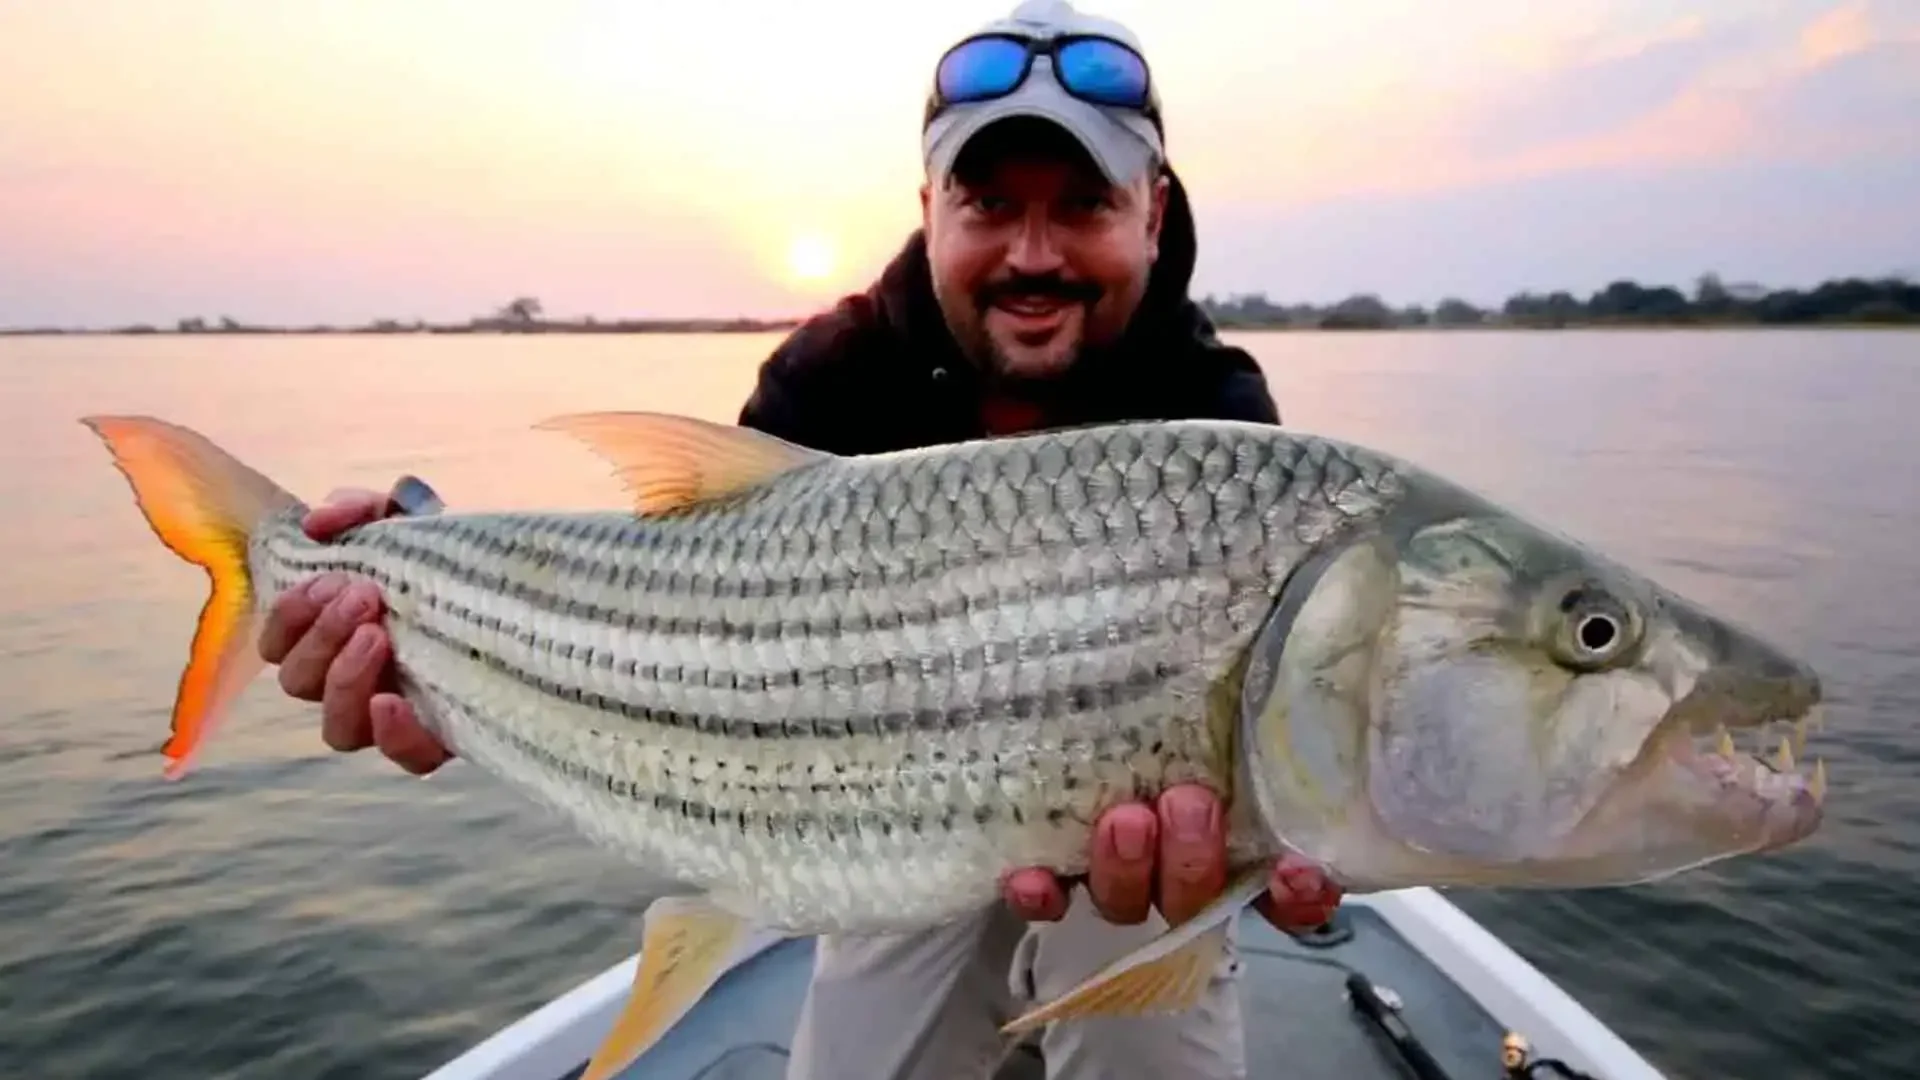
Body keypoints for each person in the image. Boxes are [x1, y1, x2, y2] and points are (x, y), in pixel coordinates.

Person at [255, 2, 1344, 1077]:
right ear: (930, 209)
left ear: (1153, 212)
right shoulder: (831, 375)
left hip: (1147, 860)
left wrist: (1303, 839)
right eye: (990, 203)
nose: (1032, 252)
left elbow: (1281, 751)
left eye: (1084, 207)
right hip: (876, 832)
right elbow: (681, 630)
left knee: (1146, 1014)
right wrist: (447, 664)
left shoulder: (1219, 418)